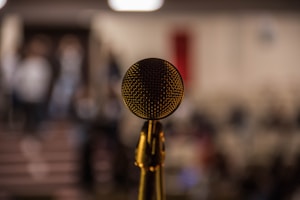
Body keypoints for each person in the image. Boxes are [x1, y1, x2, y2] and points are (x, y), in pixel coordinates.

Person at [13, 35, 52, 135]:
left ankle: (39, 130)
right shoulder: (25, 63)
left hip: (39, 94)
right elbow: (18, 78)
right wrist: (22, 90)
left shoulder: (43, 63)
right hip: (26, 94)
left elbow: (46, 78)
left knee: (38, 113)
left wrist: (43, 90)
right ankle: (28, 131)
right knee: (27, 114)